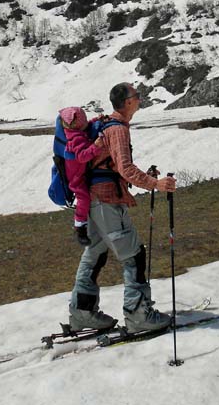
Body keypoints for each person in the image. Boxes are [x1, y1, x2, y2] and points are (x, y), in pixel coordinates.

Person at [69, 82, 176, 334]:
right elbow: (124, 168)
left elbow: (113, 166)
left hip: (94, 201)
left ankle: (82, 312)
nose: (139, 99)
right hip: (106, 202)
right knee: (134, 256)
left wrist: (145, 177)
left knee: (95, 254)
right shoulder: (117, 129)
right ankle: (138, 314)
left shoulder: (107, 125)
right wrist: (155, 184)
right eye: (137, 96)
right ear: (127, 102)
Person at [59, 106, 107, 246]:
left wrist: (96, 120)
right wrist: (96, 146)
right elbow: (82, 157)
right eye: (84, 120)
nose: (87, 122)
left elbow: (87, 126)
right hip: (76, 178)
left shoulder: (75, 130)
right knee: (84, 198)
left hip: (81, 173)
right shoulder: (75, 138)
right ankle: (80, 227)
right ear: (76, 124)